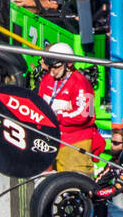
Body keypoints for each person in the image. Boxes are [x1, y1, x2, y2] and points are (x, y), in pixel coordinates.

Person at [37, 43, 105, 175]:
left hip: (75, 141)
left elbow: (84, 113)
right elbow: (40, 104)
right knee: (47, 184)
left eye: (56, 67)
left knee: (74, 182)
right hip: (50, 140)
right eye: (50, 67)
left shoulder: (80, 82)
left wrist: (57, 116)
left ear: (68, 64)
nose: (52, 71)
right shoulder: (48, 79)